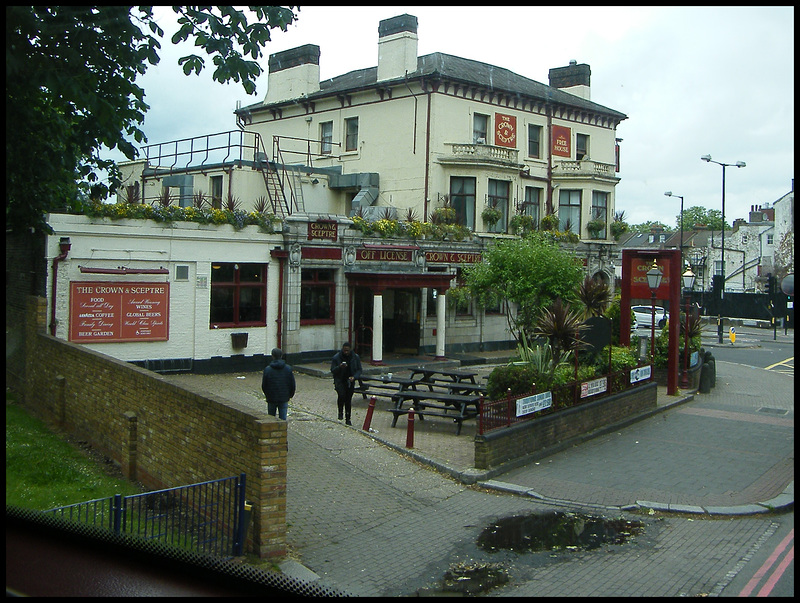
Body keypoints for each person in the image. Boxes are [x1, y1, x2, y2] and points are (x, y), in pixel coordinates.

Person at [330, 341, 362, 425]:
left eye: (347, 350)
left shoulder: (355, 357)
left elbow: (359, 369)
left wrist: (354, 377)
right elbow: (333, 370)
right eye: (344, 350)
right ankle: (340, 412)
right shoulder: (336, 357)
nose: (346, 352)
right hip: (340, 380)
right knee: (341, 396)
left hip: (349, 380)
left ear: (350, 350)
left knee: (348, 400)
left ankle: (348, 418)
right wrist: (339, 367)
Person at [261, 348, 295, 421]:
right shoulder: (288, 369)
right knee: (282, 420)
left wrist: (267, 395)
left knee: (270, 419)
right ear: (281, 356)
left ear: (272, 356)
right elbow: (292, 384)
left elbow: (264, 385)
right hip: (284, 397)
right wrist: (289, 395)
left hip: (271, 398)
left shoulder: (268, 370)